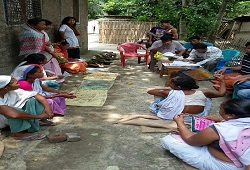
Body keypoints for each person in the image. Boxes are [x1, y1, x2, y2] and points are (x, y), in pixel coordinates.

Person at [160, 98, 250, 170]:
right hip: (241, 161)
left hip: (225, 165)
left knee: (168, 140)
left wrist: (180, 123)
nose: (219, 110)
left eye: (220, 109)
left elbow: (190, 140)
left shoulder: (219, 129)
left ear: (231, 115)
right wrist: (221, 120)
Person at [147, 73, 226, 120]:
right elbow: (221, 93)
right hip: (196, 117)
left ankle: (165, 109)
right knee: (207, 98)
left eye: (171, 83)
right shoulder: (204, 92)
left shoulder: (169, 92)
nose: (169, 84)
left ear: (178, 87)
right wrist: (222, 81)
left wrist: (167, 89)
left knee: (161, 95)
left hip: (176, 117)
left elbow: (150, 91)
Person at [0, 75, 53, 140]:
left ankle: (36, 122)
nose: (18, 83)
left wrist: (48, 108)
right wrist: (39, 116)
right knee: (15, 111)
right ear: (5, 87)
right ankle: (17, 134)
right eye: (15, 82)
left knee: (31, 100)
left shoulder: (12, 91)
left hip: (9, 115)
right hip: (3, 120)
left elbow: (36, 94)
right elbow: (14, 115)